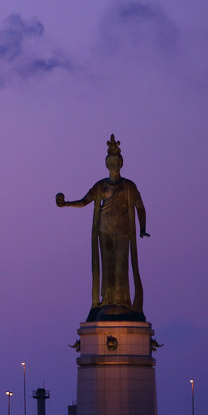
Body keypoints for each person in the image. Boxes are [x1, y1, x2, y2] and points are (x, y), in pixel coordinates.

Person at [56, 135, 150, 321]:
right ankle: (107, 301)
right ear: (107, 164)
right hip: (104, 230)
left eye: (116, 162)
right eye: (111, 162)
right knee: (107, 266)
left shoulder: (128, 186)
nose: (114, 165)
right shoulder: (101, 186)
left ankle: (122, 303)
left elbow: (140, 207)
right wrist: (65, 204)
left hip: (123, 231)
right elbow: (84, 202)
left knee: (121, 265)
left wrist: (142, 228)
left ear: (121, 164)